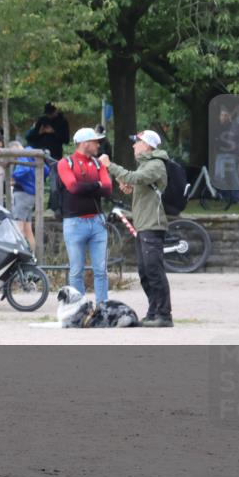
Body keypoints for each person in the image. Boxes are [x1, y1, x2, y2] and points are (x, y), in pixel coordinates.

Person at [101, 130, 173, 327]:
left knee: (154, 271)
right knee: (144, 272)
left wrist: (110, 166)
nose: (134, 146)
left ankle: (164, 315)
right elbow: (138, 182)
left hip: (152, 225)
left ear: (147, 145)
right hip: (142, 226)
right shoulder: (146, 165)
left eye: (137, 142)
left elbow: (135, 177)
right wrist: (129, 188)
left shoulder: (156, 164)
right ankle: (153, 311)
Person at [56, 127, 112, 303]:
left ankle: (102, 307)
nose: (98, 145)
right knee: (76, 270)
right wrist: (97, 185)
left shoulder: (98, 164)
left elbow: (109, 188)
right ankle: (79, 308)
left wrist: (88, 186)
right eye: (95, 141)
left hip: (97, 223)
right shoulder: (65, 163)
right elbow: (72, 187)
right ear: (84, 143)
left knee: (101, 270)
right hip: (74, 223)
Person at [9, 140, 49, 252]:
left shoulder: (23, 154)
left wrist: (13, 177)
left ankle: (20, 257)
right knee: (28, 230)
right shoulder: (34, 153)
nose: (14, 158)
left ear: (16, 148)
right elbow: (46, 170)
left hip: (22, 194)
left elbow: (24, 169)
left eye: (13, 154)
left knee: (19, 227)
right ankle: (34, 257)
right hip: (32, 194)